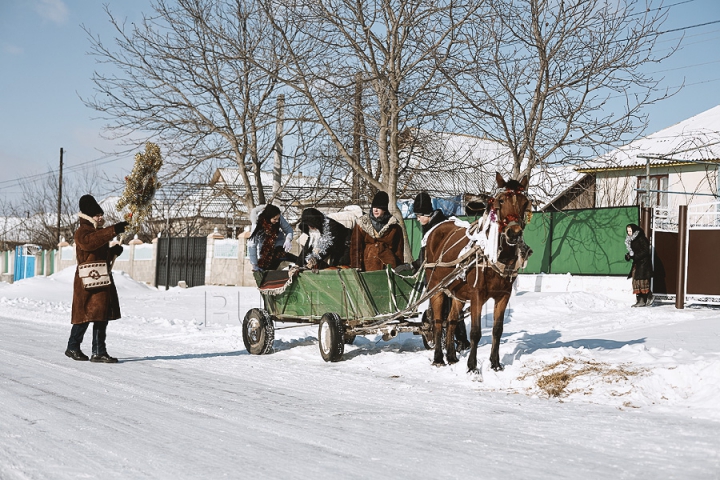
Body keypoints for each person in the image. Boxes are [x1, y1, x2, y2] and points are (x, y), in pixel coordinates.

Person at [66, 194, 128, 363]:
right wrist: (114, 230)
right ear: (88, 215)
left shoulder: (98, 232)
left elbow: (98, 254)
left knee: (101, 314)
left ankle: (99, 351)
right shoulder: (83, 232)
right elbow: (90, 243)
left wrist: (113, 252)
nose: (101, 218)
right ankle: (73, 347)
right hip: (88, 280)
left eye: (101, 214)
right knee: (85, 315)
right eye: (97, 215)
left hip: (100, 278)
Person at [350, 191, 404, 271]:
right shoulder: (362, 224)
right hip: (368, 266)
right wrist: (356, 266)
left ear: (385, 209)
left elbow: (398, 250)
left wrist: (399, 268)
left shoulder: (394, 227)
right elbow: (356, 248)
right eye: (374, 207)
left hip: (389, 266)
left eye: (379, 207)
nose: (375, 210)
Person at [247, 204, 297, 272]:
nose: (277, 221)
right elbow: (252, 245)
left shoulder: (278, 217)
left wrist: (288, 239)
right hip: (265, 251)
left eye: (278, 219)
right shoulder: (257, 224)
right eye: (274, 219)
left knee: (282, 256)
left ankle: (302, 263)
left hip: (278, 246)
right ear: (268, 217)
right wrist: (254, 264)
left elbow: (288, 229)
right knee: (268, 265)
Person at [625, 223, 653, 307]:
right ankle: (640, 300)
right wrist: (629, 256)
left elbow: (645, 250)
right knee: (636, 282)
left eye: (630, 230)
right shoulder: (630, 240)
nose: (629, 232)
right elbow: (633, 252)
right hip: (637, 263)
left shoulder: (641, 238)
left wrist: (635, 256)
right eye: (628, 231)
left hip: (643, 263)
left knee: (642, 281)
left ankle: (648, 297)